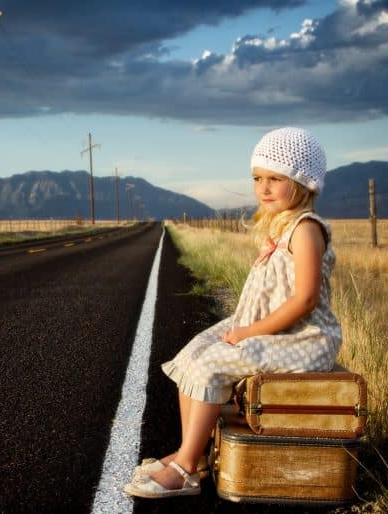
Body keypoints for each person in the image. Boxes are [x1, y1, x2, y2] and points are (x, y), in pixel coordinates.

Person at [124, 127, 343, 499]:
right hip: (269, 325)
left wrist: (248, 333)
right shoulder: (282, 227)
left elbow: (304, 301)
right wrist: (246, 327)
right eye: (258, 178)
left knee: (212, 366)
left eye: (276, 178)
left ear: (304, 183)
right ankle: (189, 452)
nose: (264, 188)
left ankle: (187, 470)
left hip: (303, 337)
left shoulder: (306, 231)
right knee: (194, 353)